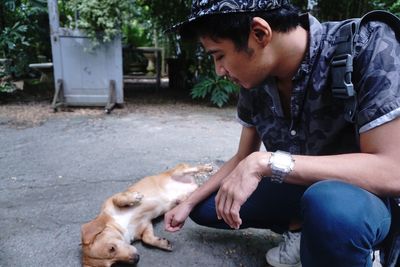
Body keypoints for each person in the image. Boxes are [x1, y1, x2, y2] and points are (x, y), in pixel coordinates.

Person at [164, 0, 400, 266]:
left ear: (260, 33)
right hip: (301, 188)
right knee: (207, 206)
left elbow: (393, 171)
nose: (219, 71)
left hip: (360, 199)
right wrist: (188, 202)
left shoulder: (366, 45)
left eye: (219, 56)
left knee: (332, 207)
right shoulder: (255, 80)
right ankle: (302, 231)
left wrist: (267, 162)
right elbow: (243, 156)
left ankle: (357, 247)